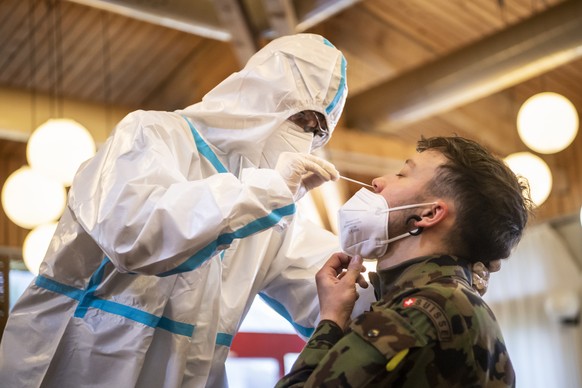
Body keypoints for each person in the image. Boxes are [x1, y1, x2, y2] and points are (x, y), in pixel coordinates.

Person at [0, 33, 352, 387]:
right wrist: (269, 192)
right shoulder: (153, 135)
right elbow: (135, 232)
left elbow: (329, 285)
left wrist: (383, 252)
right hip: (75, 369)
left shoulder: (274, 206)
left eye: (317, 129)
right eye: (301, 116)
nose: (305, 134)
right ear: (266, 89)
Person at [277, 135, 533, 387]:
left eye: (401, 174)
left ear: (430, 213)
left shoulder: (420, 312)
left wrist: (331, 319)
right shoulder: (451, 301)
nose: (377, 182)